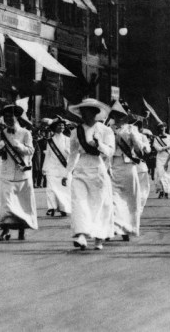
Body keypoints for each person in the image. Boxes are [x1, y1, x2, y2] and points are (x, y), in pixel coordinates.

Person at [66, 98, 115, 251]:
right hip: (81, 169)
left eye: (88, 111)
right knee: (79, 202)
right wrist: (67, 172)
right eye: (83, 112)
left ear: (95, 113)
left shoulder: (106, 130)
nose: (85, 115)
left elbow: (110, 152)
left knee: (98, 205)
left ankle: (99, 238)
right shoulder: (76, 131)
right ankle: (81, 234)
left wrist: (99, 144)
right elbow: (73, 154)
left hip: (98, 169)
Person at [0, 103, 37, 242]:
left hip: (22, 172)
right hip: (6, 172)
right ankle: (5, 231)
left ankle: (22, 231)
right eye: (5, 117)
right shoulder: (1, 133)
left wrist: (19, 146)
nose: (8, 119)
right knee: (6, 203)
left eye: (11, 116)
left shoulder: (25, 133)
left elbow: (31, 151)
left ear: (16, 117)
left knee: (22, 203)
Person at [110, 104, 149, 243]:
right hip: (113, 165)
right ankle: (116, 226)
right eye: (115, 114)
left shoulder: (131, 129)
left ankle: (128, 228)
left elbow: (138, 145)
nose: (118, 117)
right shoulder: (109, 130)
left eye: (120, 115)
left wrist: (143, 149)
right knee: (113, 198)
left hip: (128, 166)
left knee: (130, 198)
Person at [42, 118, 71, 217]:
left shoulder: (67, 139)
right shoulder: (50, 141)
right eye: (59, 125)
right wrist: (44, 168)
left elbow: (71, 154)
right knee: (50, 188)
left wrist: (68, 152)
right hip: (52, 167)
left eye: (62, 125)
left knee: (63, 188)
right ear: (54, 127)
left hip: (64, 167)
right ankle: (52, 207)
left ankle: (63, 208)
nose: (61, 127)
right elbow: (48, 155)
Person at [152, 123, 170, 199]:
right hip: (160, 158)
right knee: (160, 174)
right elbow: (158, 149)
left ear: (165, 127)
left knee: (167, 175)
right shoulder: (156, 138)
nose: (162, 128)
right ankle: (161, 191)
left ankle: (166, 191)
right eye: (160, 127)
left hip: (168, 158)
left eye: (163, 127)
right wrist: (168, 146)